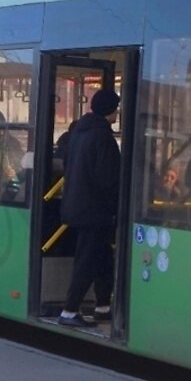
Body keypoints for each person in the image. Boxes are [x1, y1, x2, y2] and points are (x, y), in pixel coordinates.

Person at [58, 87, 121, 327]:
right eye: (116, 107)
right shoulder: (102, 137)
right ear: (110, 110)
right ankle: (69, 311)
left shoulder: (80, 132)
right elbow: (108, 178)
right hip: (95, 211)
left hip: (79, 206)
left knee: (103, 258)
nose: (118, 112)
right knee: (87, 260)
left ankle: (103, 306)